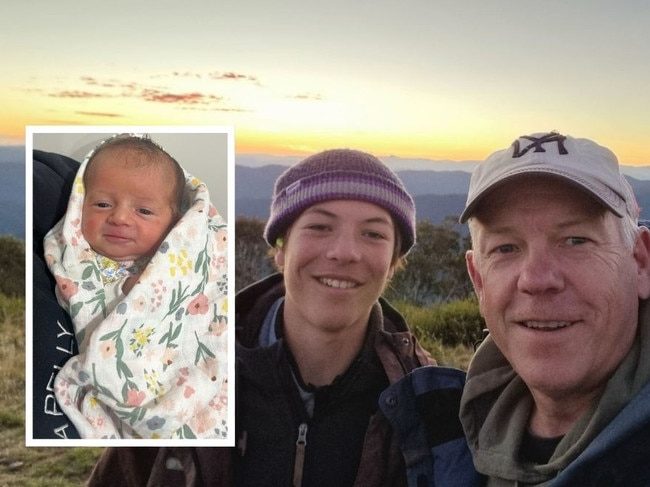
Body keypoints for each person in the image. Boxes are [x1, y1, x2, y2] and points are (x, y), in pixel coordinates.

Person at [88, 148, 482, 486]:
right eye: (320, 226)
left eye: (373, 234)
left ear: (394, 262)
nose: (345, 252)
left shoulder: (428, 405)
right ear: (280, 248)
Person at [459, 131, 650, 485]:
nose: (536, 279)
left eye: (576, 241)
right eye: (505, 248)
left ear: (640, 262)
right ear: (479, 281)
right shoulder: (439, 441)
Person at [43, 134, 229, 439]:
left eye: (143, 211)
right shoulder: (72, 258)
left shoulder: (183, 264)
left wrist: (150, 290)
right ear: (79, 205)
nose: (119, 217)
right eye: (102, 204)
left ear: (174, 222)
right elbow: (79, 296)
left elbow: (203, 311)